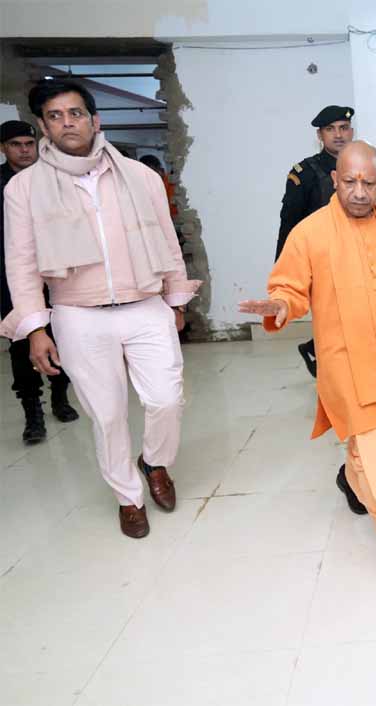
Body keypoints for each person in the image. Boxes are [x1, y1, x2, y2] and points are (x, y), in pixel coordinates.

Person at [1, 79, 201, 538]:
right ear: (43, 126)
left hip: (145, 303)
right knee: (107, 414)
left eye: (75, 113)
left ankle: (155, 462)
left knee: (166, 398)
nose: (67, 123)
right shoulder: (24, 189)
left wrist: (175, 300)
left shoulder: (139, 176)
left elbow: (167, 241)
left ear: (95, 120)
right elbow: (21, 262)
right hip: (78, 313)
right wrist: (35, 329)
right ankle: (128, 497)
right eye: (55, 116)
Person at [241, 141, 376, 587]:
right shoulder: (310, 233)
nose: (359, 192)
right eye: (349, 181)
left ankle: (351, 479)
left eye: (368, 183)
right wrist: (281, 304)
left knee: (370, 438)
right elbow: (289, 286)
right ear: (334, 180)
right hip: (347, 361)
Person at [276, 105, 376, 378]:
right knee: (335, 323)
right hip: (324, 261)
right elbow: (289, 224)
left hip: (364, 258)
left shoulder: (366, 168)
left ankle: (350, 371)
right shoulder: (305, 173)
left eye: (344, 128)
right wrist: (283, 269)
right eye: (330, 129)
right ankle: (335, 374)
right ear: (320, 135)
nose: (338, 134)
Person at [2, 119, 79, 444]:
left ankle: (60, 397)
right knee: (23, 344)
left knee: (61, 337)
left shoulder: (52, 180)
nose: (24, 150)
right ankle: (32, 412)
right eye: (16, 145)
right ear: (3, 148)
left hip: (56, 274)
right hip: (12, 279)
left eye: (28, 144)